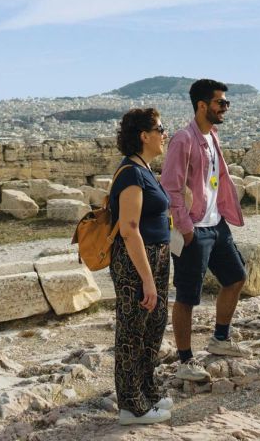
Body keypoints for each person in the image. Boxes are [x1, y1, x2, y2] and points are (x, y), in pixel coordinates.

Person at [161, 79, 250, 382]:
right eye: (221, 102)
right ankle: (185, 360)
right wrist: (185, 229)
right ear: (202, 105)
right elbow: (171, 188)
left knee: (236, 277)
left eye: (226, 103)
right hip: (194, 229)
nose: (226, 107)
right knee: (187, 295)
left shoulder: (212, 135)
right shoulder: (182, 140)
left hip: (216, 224)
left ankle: (220, 339)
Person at [109, 108, 172, 425]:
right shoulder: (132, 173)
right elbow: (129, 227)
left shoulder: (144, 168)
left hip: (156, 256)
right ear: (144, 135)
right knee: (133, 331)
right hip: (136, 261)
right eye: (161, 128)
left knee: (153, 326)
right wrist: (147, 279)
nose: (165, 133)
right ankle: (130, 406)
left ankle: (146, 393)